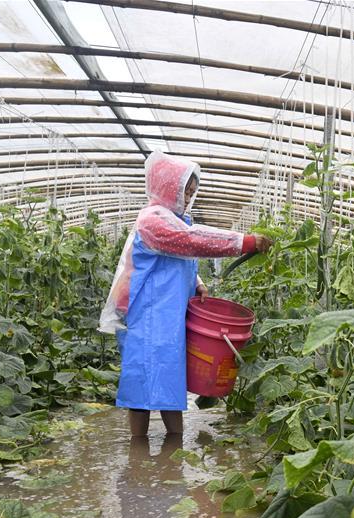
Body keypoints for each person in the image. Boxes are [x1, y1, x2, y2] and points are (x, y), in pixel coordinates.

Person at [98, 151, 272, 437]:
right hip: (149, 312)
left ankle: (171, 447)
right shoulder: (153, 219)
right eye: (185, 191)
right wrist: (245, 241)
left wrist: (199, 281)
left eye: (192, 192)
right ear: (168, 187)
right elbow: (191, 242)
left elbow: (178, 257)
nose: (189, 197)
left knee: (169, 376)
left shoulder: (176, 218)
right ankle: (140, 449)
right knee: (144, 381)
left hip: (167, 313)